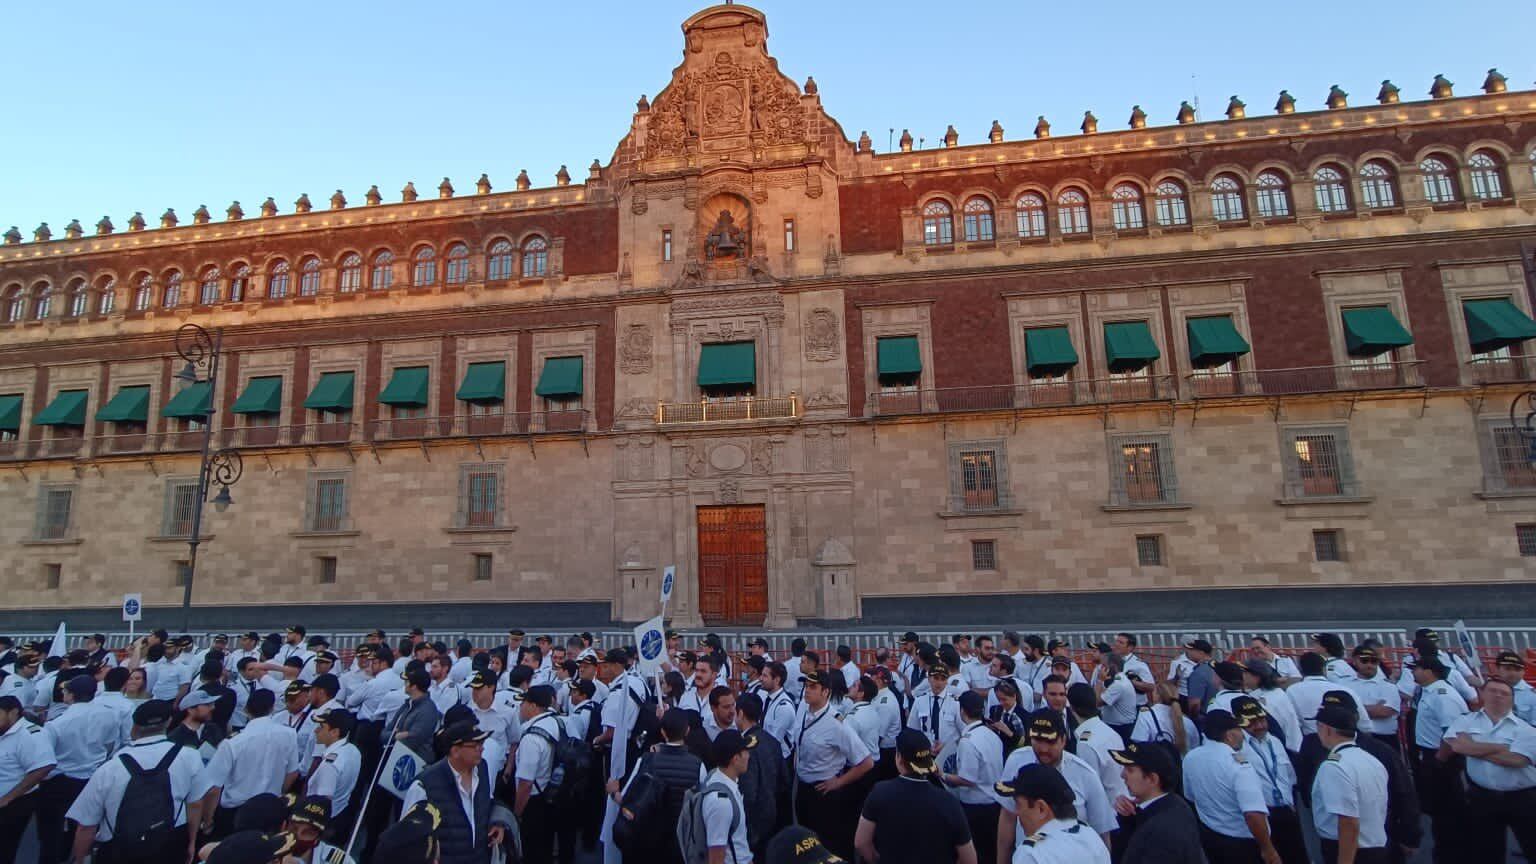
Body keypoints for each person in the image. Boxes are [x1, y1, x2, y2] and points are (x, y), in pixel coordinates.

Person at [65, 699, 205, 864]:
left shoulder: (109, 768)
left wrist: (79, 859)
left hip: (119, 849)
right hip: (170, 843)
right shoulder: (190, 757)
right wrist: (192, 842)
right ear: (168, 722)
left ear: (134, 727)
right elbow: (195, 804)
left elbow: (86, 825)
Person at [993, 712, 1115, 860]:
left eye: (1050, 742)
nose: (1043, 748)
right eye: (1037, 740)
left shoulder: (1085, 774)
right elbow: (1008, 816)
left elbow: (1101, 833)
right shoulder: (1017, 760)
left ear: (1063, 740)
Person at [1439, 677, 1536, 862]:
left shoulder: (1527, 730)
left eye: (1504, 693)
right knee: (1486, 853)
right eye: (1492, 691)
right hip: (1482, 797)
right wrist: (1502, 748)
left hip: (1524, 799)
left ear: (1512, 699)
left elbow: (1517, 760)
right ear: (1482, 694)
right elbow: (1457, 747)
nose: (1498, 695)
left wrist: (1473, 748)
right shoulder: (1465, 720)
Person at [856, 728, 976, 864]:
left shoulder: (879, 793)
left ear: (899, 758)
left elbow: (861, 843)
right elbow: (969, 859)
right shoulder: (949, 802)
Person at [400, 722, 514, 864]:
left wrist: (498, 821)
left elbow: (488, 802)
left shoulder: (482, 770)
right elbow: (407, 838)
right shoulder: (424, 786)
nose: (482, 748)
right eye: (475, 745)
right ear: (455, 751)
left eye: (482, 743)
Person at [1180, 710, 1281, 864]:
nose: (1242, 734)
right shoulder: (1240, 766)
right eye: (1239, 730)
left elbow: (1190, 796)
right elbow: (1253, 814)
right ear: (1229, 735)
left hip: (1211, 839)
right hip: (1243, 845)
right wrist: (1268, 849)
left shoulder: (1191, 758)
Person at [792, 671, 873, 861]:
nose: (807, 691)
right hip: (803, 788)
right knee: (806, 844)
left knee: (828, 845)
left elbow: (866, 762)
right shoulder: (803, 710)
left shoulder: (837, 724)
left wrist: (838, 782)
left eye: (813, 687)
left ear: (825, 692)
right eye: (806, 686)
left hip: (824, 793)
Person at [38, 676, 119, 864]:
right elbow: (109, 745)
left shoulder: (57, 723)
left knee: (51, 832)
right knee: (85, 826)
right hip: (92, 777)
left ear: (71, 695)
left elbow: (46, 757)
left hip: (60, 780)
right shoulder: (108, 715)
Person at [199, 687, 300, 840]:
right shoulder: (289, 734)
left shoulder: (233, 743)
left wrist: (208, 820)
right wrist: (278, 792)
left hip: (237, 812)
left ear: (246, 710)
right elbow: (293, 772)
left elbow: (214, 787)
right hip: (271, 806)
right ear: (272, 708)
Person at [614, 708, 706, 862]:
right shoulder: (698, 765)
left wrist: (612, 792)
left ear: (663, 732)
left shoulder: (646, 760)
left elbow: (626, 799)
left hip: (648, 840)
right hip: (681, 842)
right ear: (687, 731)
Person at [1312, 703, 1390, 864]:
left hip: (1350, 851)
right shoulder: (1371, 760)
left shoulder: (1334, 767)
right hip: (1375, 846)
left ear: (1326, 729)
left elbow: (1348, 821)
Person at [1232, 696, 1307, 864]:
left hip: (1286, 811)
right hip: (1263, 816)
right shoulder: (1237, 748)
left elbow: (1288, 775)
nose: (1259, 726)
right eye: (1251, 722)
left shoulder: (1274, 741)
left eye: (1261, 719)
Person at [1409, 654, 1467, 864]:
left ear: (1429, 671)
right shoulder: (1429, 692)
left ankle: (1452, 853)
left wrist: (1439, 761)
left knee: (1448, 811)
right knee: (1439, 810)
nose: (1413, 672)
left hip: (1442, 758)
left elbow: (1451, 734)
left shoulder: (1443, 695)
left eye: (1416, 668)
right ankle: (1446, 849)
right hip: (1432, 755)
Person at [994, 763, 1110, 863]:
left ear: (1041, 808)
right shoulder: (1092, 839)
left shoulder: (1032, 853)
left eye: (1019, 804)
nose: (1017, 813)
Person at [1110, 741, 1204, 864]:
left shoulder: (1162, 831)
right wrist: (1127, 818)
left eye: (1130, 770)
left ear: (1152, 779)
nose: (1122, 775)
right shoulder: (1174, 804)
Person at [942, 691, 1002, 864]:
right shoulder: (991, 734)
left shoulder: (968, 741)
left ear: (962, 712)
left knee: (977, 853)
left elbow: (967, 779)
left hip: (976, 807)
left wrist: (943, 775)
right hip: (994, 803)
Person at [0, 693, 55, 864]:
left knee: (4, 848)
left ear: (13, 712)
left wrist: (9, 798)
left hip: (13, 803)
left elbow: (43, 767)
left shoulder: (31, 735)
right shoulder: (3, 730)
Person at [514, 685, 563, 864]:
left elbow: (525, 784)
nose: (521, 707)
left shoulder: (531, 738)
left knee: (533, 851)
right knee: (545, 847)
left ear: (533, 706)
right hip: (554, 794)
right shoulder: (558, 722)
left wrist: (516, 813)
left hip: (534, 801)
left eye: (524, 703)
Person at [735, 693, 784, 860]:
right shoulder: (772, 741)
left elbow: (748, 792)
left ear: (740, 713)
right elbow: (784, 782)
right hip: (774, 817)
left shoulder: (745, 747)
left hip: (753, 823)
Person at [307, 708, 362, 842]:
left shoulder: (330, 765)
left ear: (335, 732)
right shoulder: (353, 750)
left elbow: (322, 803)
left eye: (321, 727)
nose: (316, 730)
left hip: (321, 821)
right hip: (340, 812)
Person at [1065, 683, 1127, 804]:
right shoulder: (1110, 732)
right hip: (1122, 802)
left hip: (1109, 810)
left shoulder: (1086, 744)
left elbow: (1091, 788)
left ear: (1071, 707)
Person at [702, 729, 756, 864]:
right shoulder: (721, 802)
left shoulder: (717, 777)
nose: (748, 756)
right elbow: (716, 858)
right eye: (745, 752)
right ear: (735, 758)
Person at [1347, 646, 1401, 752]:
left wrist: (1355, 708)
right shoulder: (1346, 685)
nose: (1369, 664)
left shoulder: (1388, 686)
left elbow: (1384, 712)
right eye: (1364, 660)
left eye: (1374, 661)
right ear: (1354, 661)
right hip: (1356, 738)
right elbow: (1343, 712)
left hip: (1384, 739)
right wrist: (1374, 707)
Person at [284, 794, 356, 864]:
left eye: (307, 832)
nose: (298, 835)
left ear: (317, 839)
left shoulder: (337, 860)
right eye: (294, 828)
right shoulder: (274, 851)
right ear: (284, 826)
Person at [908, 665, 963, 755]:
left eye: (943, 679)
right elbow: (913, 729)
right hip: (925, 752)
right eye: (936, 678)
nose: (939, 683)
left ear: (947, 681)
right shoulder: (919, 701)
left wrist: (947, 745)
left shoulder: (955, 703)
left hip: (949, 753)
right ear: (929, 679)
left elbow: (962, 731)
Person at [1130, 681, 1195, 755]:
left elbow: (1138, 744)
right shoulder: (1188, 721)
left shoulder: (1146, 715)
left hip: (1157, 764)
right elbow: (1195, 747)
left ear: (1157, 696)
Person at [393, 670, 442, 762]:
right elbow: (384, 734)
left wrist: (395, 735)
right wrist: (396, 736)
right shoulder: (407, 704)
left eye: (407, 682)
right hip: (400, 756)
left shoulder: (428, 710)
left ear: (414, 686)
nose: (405, 684)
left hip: (417, 761)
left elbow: (413, 741)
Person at [1093, 656, 1137, 740]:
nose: (1102, 669)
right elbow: (1103, 695)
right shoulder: (1120, 680)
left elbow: (1097, 702)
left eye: (1104, 666)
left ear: (1113, 666)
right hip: (1120, 726)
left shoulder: (1118, 685)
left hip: (1120, 728)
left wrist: (1099, 680)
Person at [1492, 649, 1536, 725]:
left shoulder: (1532, 695)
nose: (1512, 673)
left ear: (1523, 672)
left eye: (1517, 670)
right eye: (1507, 669)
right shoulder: (1490, 690)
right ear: (1497, 670)